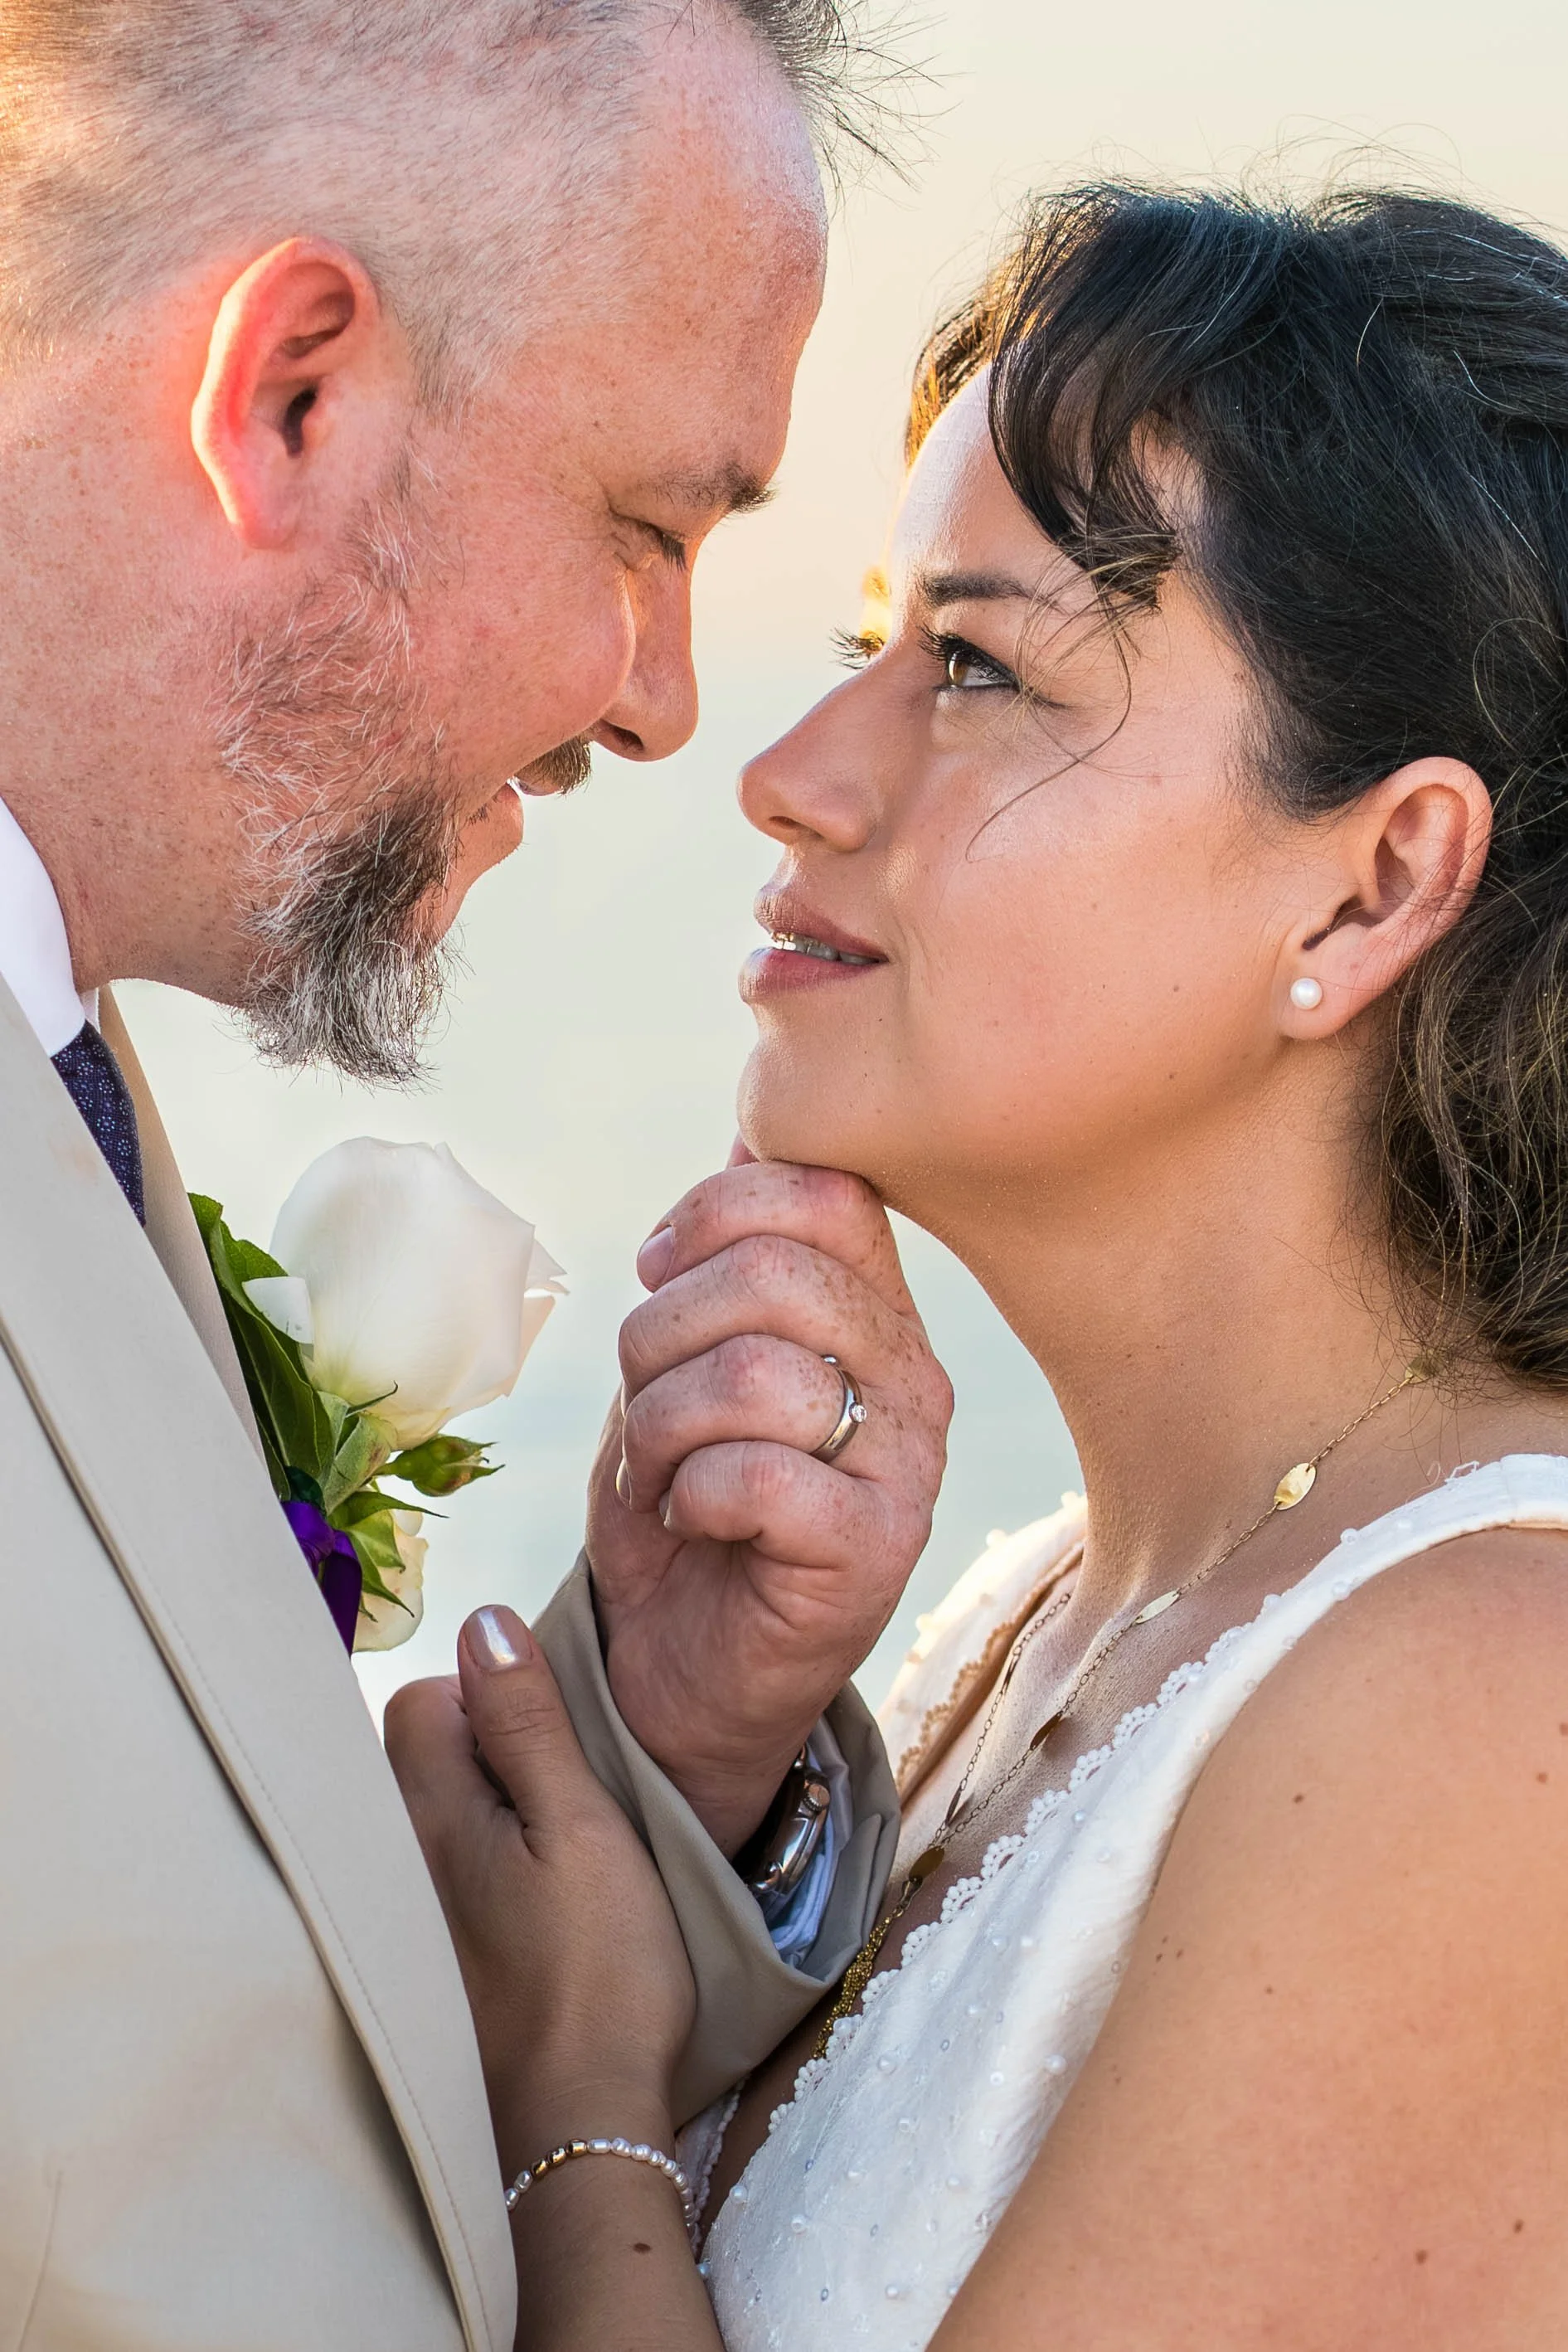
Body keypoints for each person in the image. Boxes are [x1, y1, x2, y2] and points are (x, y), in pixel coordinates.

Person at [396, 180, 1568, 2349]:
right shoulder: (1031, 1614)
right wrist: (701, 1781)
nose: (784, 777)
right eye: (867, 642)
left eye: (975, 667)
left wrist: (579, 2085)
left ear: (1371, 885)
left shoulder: (1501, 1710)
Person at [0, 6, 956, 2348]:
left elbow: (180, 2107)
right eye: (649, 528)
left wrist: (659, 1739)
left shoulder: (68, 1057)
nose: (662, 700)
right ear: (293, 393)